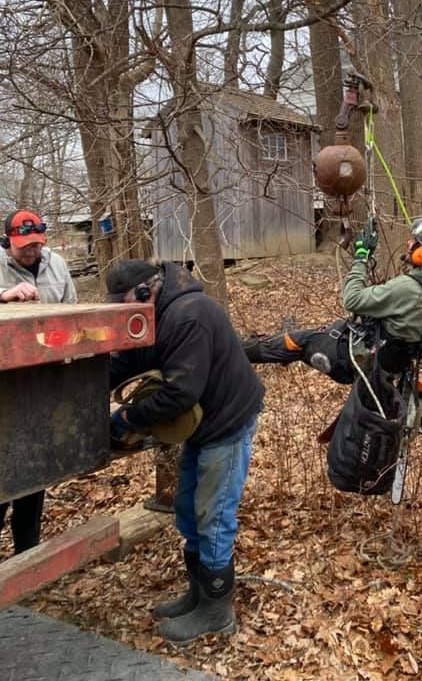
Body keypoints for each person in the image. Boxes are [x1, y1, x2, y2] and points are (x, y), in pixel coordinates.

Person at [105, 259, 264, 647]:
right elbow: (129, 361)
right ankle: (197, 594)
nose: (126, 312)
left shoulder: (187, 316)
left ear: (148, 291)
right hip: (202, 426)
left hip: (226, 424)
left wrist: (128, 417)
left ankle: (216, 612)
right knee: (189, 510)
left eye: (128, 303)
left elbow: (180, 392)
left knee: (213, 516)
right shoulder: (154, 316)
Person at [243, 216, 422, 384]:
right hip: (394, 367)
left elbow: (351, 299)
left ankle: (239, 351)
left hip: (359, 361)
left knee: (301, 340)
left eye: (415, 242)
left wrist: (361, 259)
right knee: (329, 331)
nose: (409, 244)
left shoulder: (408, 288)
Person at [0, 209, 77, 554]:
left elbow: (72, 309)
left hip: (46, 381)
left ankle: (27, 552)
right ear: (8, 242)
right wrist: (4, 296)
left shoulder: (56, 265)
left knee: (35, 471)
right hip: (5, 386)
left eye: (35, 245)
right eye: (23, 247)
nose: (30, 252)